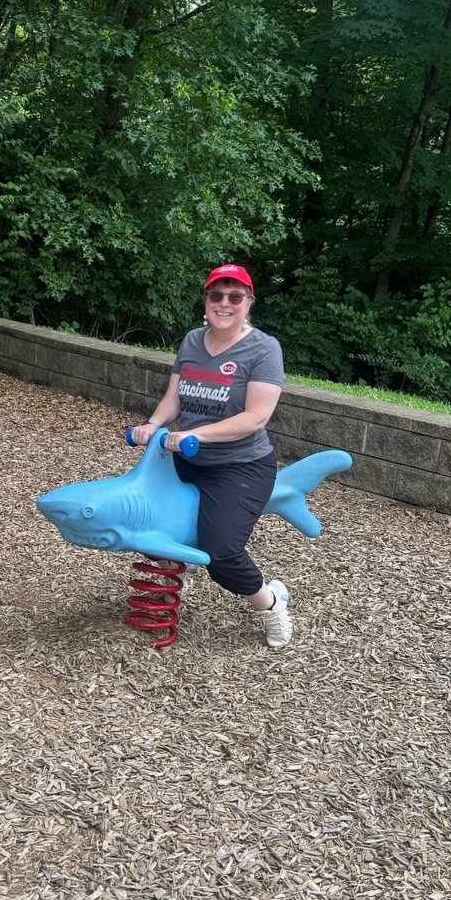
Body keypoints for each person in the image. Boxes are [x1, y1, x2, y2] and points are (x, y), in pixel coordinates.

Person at [128, 263, 292, 648]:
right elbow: (174, 398)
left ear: (248, 303)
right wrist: (153, 425)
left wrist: (194, 434)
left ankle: (271, 603)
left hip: (241, 466)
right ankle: (172, 581)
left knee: (219, 552)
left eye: (235, 296)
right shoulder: (191, 341)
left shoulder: (264, 349)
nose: (225, 303)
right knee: (151, 521)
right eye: (217, 295)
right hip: (186, 456)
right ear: (207, 300)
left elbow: (256, 417)